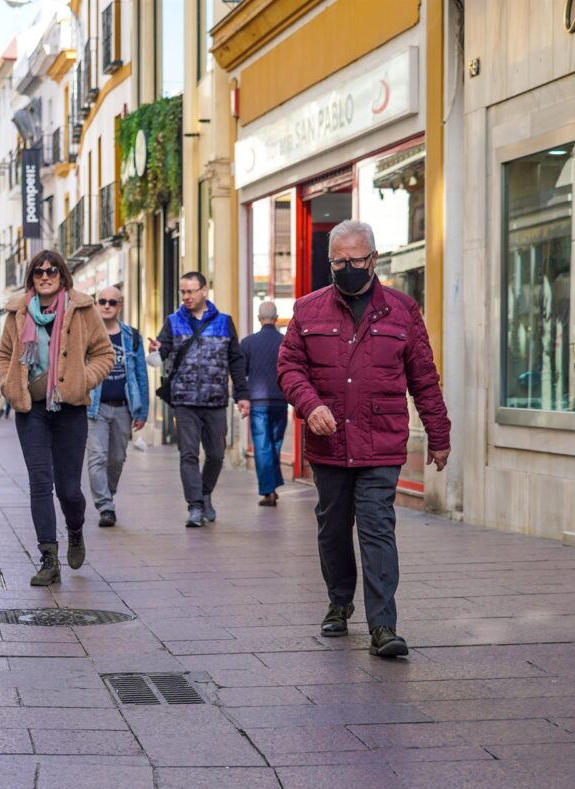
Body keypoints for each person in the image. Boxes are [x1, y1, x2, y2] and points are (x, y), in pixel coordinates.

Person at [277, 219, 450, 659]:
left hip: (381, 441)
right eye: (340, 261)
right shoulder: (306, 310)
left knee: (377, 529)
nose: (348, 267)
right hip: (329, 443)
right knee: (333, 528)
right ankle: (339, 602)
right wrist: (310, 404)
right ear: (330, 261)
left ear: (373, 259)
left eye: (356, 260)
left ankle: (383, 626)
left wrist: (438, 433)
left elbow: (424, 378)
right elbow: (289, 368)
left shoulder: (403, 310)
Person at [0, 250, 114, 586]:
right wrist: (9, 384)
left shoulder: (82, 308)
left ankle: (75, 530)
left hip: (70, 410)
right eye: (38, 272)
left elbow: (104, 354)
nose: (45, 276)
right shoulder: (18, 311)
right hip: (30, 409)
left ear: (62, 275)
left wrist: (82, 380)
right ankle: (48, 558)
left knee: (69, 490)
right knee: (39, 482)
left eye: (51, 271)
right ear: (31, 277)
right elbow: (5, 355)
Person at [149, 272, 250, 528]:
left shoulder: (224, 322)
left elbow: (236, 360)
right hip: (184, 401)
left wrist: (241, 395)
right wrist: (154, 351)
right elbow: (161, 355)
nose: (186, 297)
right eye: (183, 292)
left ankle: (205, 494)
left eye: (191, 291)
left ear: (204, 291)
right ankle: (195, 506)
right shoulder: (173, 322)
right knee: (189, 455)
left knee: (216, 455)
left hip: (215, 400)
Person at [86, 286, 149, 528]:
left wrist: (142, 411)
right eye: (102, 301)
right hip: (95, 407)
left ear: (120, 306)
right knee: (97, 457)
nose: (107, 306)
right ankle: (105, 506)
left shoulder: (131, 336)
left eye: (112, 302)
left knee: (118, 458)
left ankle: (107, 495)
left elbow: (141, 374)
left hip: (124, 407)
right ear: (95, 304)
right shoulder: (87, 335)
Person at [240, 301, 287, 507]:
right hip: (280, 401)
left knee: (262, 446)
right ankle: (273, 485)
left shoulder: (248, 343)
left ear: (259, 318)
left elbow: (240, 374)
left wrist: (240, 397)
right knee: (274, 444)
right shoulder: (285, 342)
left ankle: (268, 490)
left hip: (258, 401)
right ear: (276, 318)